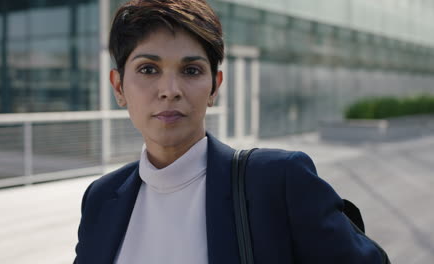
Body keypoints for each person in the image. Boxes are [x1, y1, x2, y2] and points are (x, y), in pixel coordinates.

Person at [74, 0, 386, 263]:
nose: (170, 90)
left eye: (191, 70)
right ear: (118, 87)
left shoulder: (278, 182)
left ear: (214, 87)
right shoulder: (101, 199)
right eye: (148, 69)